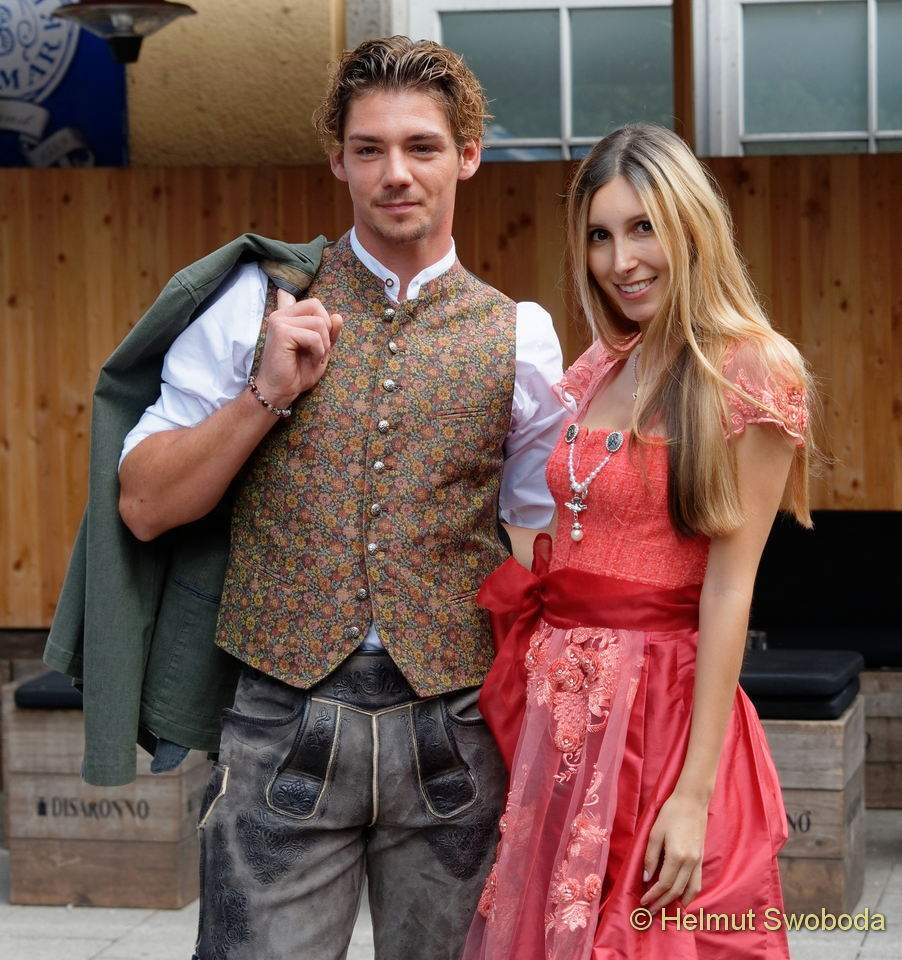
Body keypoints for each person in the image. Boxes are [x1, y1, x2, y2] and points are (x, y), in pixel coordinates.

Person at [114, 37, 566, 960]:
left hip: (456, 730)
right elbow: (145, 505)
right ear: (338, 161)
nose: (395, 173)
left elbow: (539, 545)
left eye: (421, 146)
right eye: (369, 149)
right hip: (281, 720)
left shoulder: (522, 338)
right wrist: (265, 393)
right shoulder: (255, 304)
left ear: (468, 156)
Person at [463, 124, 815, 960]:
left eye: (643, 227)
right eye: (600, 235)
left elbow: (729, 588)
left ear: (692, 226)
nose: (621, 260)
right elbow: (555, 530)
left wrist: (693, 796)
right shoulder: (600, 366)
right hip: (562, 718)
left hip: (662, 714)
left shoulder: (752, 372)